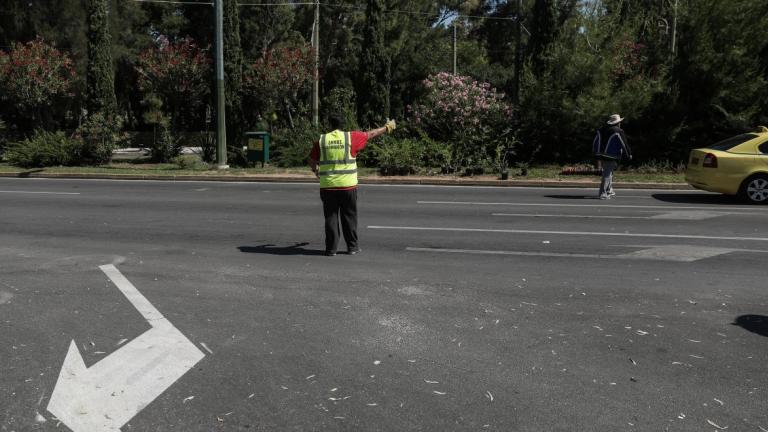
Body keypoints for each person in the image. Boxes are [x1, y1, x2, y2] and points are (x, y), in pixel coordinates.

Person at [309, 114, 396, 256]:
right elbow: (371, 134)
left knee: (331, 217)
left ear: (329, 124)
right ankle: (352, 247)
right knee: (349, 216)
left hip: (328, 186)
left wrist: (316, 171)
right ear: (343, 124)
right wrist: (387, 128)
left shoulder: (322, 140)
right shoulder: (351, 137)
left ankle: (331, 249)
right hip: (348, 186)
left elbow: (311, 160)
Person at [592, 114, 632, 199]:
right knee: (607, 174)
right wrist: (628, 154)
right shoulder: (618, 131)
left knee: (609, 172)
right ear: (618, 123)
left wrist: (595, 154)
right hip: (611, 156)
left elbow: (595, 141)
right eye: (620, 122)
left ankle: (609, 190)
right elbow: (624, 144)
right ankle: (603, 194)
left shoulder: (601, 129)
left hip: (600, 155)